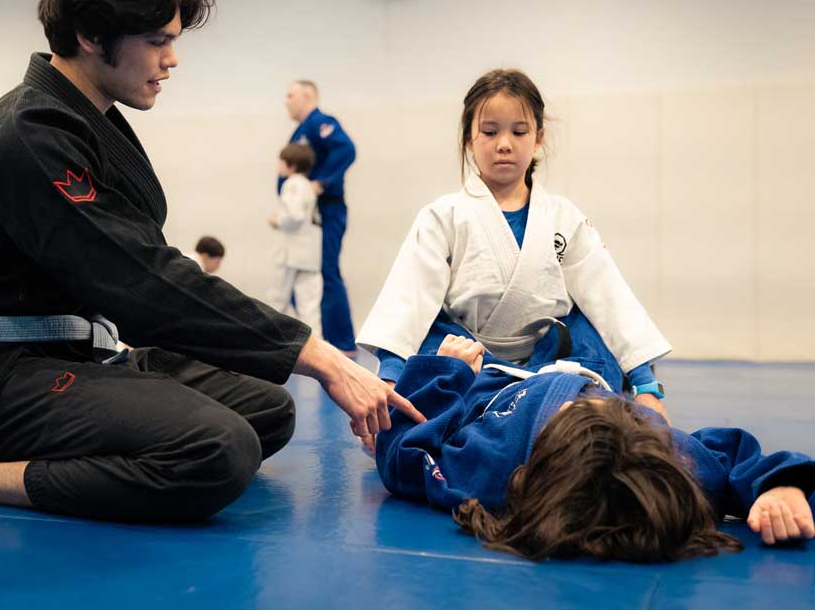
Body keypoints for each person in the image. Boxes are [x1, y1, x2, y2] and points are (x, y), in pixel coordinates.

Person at [0, 0, 423, 523]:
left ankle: (55, 446)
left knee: (269, 412)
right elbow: (143, 283)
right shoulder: (28, 134)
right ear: (89, 34)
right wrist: (325, 358)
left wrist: (308, 356)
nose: (172, 59)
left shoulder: (85, 121)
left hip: (72, 354)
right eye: (157, 41)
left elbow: (142, 270)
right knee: (219, 449)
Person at [357, 68, 671, 419]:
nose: (504, 143)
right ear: (468, 139)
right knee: (434, 349)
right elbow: (408, 300)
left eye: (518, 131)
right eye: (489, 132)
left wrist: (646, 388)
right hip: (472, 363)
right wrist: (387, 385)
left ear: (538, 137)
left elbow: (609, 297)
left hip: (553, 360)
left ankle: (530, 413)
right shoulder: (443, 216)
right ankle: (553, 414)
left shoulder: (564, 218)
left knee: (589, 323)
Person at [376, 338, 815, 562]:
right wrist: (779, 487)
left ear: (540, 462)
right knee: (595, 329)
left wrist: (448, 373)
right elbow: (730, 453)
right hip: (597, 371)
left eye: (569, 412)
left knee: (448, 336)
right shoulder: (668, 458)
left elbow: (403, 458)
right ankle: (642, 382)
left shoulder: (488, 466)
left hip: (493, 381)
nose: (578, 402)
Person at [283, 80, 356, 355]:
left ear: (307, 96)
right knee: (302, 275)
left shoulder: (321, 123)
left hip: (326, 211)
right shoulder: (300, 131)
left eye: (291, 95)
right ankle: (317, 340)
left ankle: (341, 343)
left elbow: (345, 149)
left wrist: (321, 182)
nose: (286, 101)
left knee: (326, 271)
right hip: (307, 218)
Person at [267, 143, 322, 334]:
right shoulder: (308, 185)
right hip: (307, 253)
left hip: (290, 253)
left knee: (277, 300)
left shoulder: (293, 184)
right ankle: (317, 348)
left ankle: (271, 342)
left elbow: (294, 216)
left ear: (290, 165)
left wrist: (277, 220)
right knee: (309, 305)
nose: (278, 166)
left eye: (281, 162)